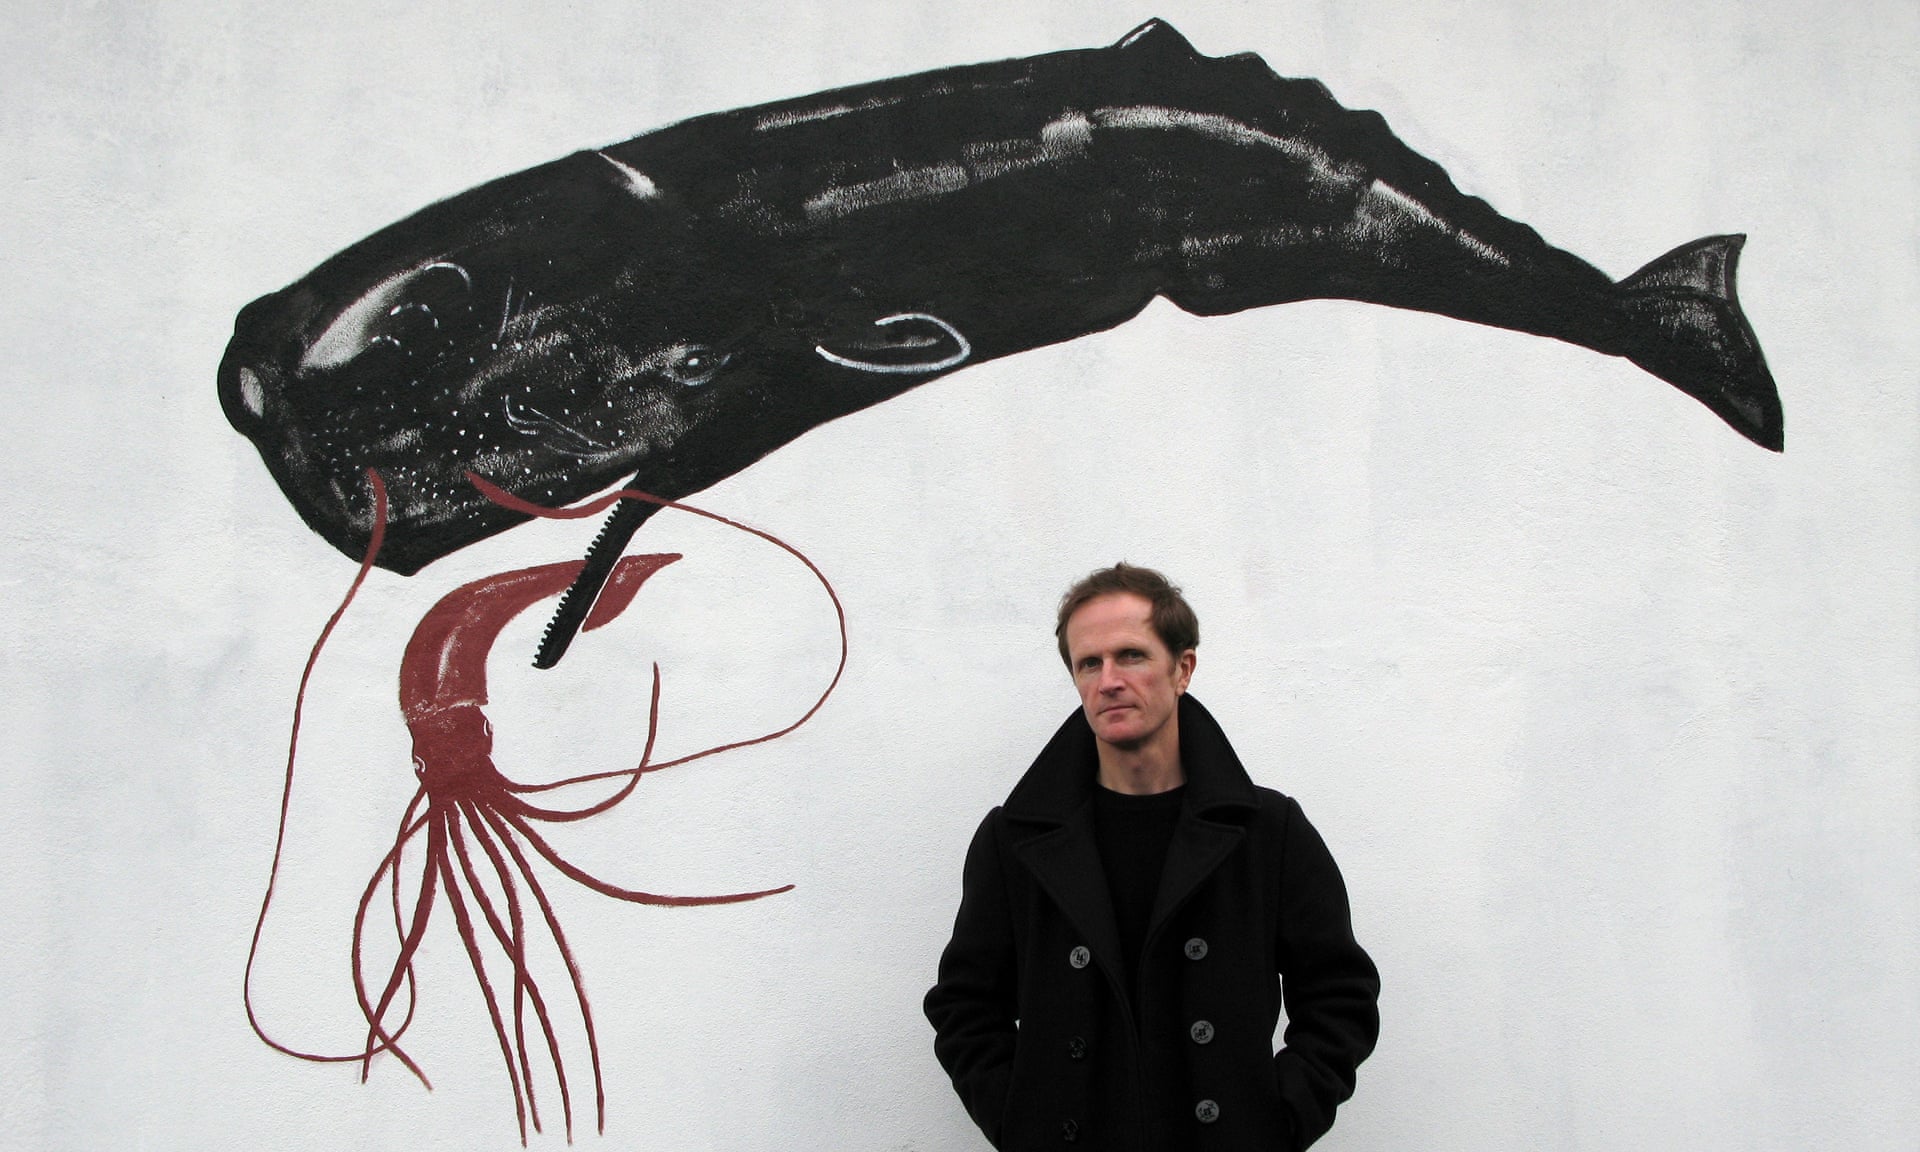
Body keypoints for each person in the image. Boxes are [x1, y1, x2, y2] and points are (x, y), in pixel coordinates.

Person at [925, 563, 1379, 1150]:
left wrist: (1273, 1122)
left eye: (1131, 656)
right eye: (1089, 663)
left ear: (1182, 669)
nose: (1109, 680)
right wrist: (1022, 1123)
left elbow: (1340, 995)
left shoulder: (1268, 832)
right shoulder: (1014, 841)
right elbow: (965, 1006)